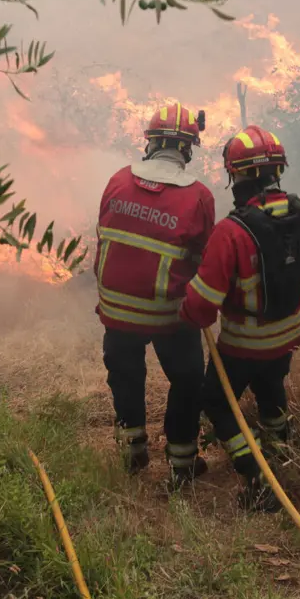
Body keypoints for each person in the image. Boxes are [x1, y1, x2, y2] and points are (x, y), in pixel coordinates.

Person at [179, 125, 300, 512]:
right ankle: (284, 459)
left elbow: (201, 309)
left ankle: (255, 476)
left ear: (236, 176)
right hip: (287, 337)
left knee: (217, 403)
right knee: (271, 391)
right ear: (278, 172)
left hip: (243, 345)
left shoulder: (231, 233)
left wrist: (186, 300)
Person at [94, 102, 216, 490]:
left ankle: (132, 454)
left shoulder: (116, 180)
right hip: (169, 315)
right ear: (187, 149)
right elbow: (204, 258)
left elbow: (103, 234)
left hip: (115, 310)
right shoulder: (198, 196)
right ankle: (182, 465)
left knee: (126, 376)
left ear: (149, 143)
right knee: (187, 380)